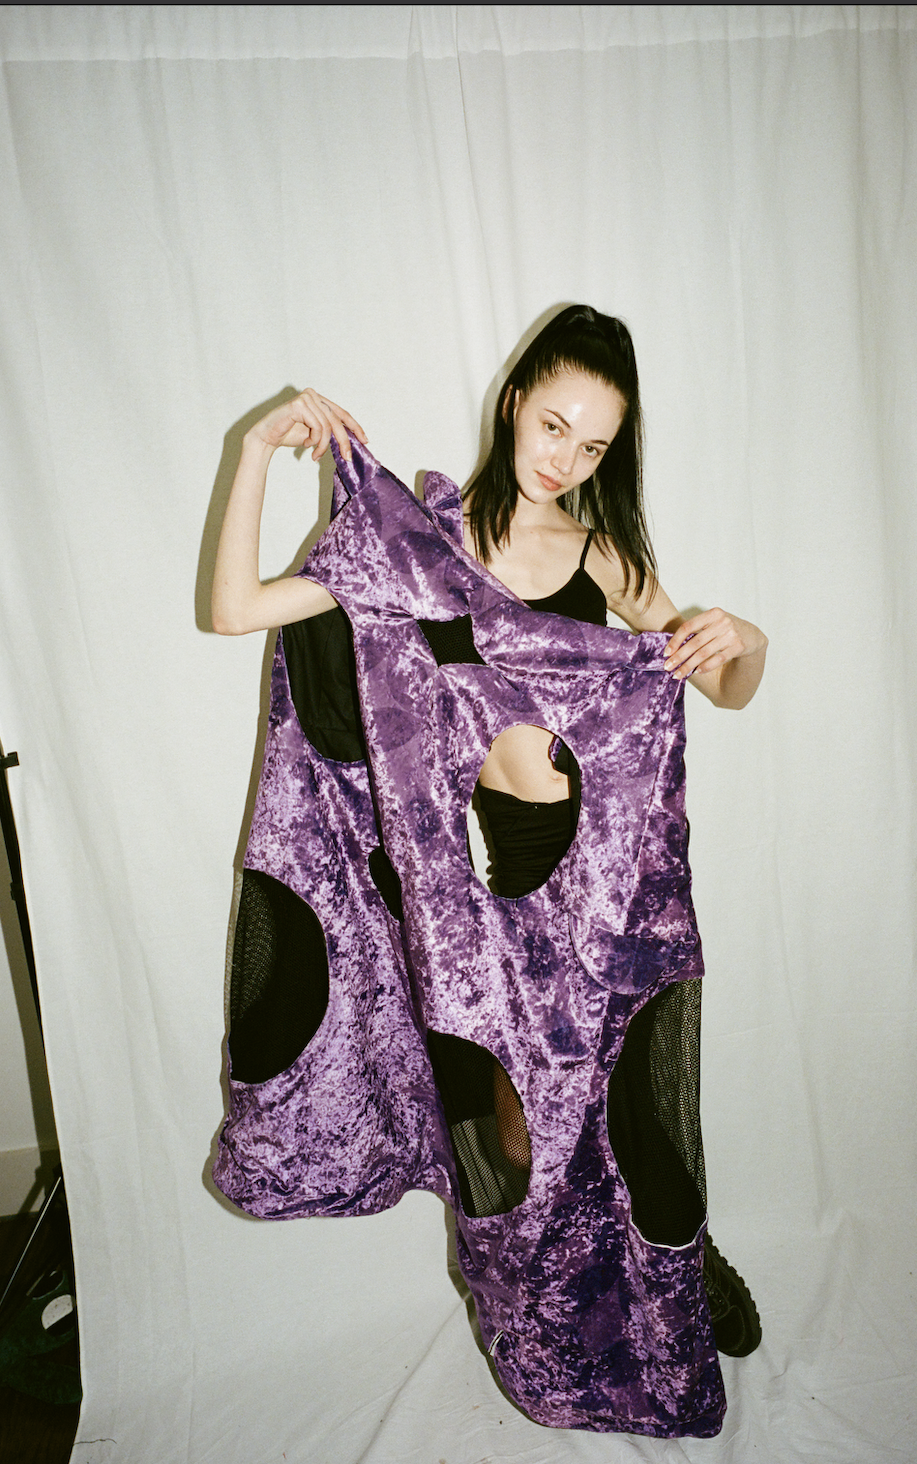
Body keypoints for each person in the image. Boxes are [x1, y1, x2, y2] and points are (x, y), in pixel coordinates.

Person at [212, 304, 768, 1367]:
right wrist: (254, 448)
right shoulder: (414, 550)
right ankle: (547, 1337)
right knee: (514, 1148)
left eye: (593, 446)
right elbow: (236, 609)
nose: (566, 459)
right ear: (514, 401)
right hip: (486, 906)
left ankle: (681, 1264)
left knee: (631, 1118)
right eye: (554, 425)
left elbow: (724, 686)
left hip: (608, 892)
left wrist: (745, 639)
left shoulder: (599, 554)